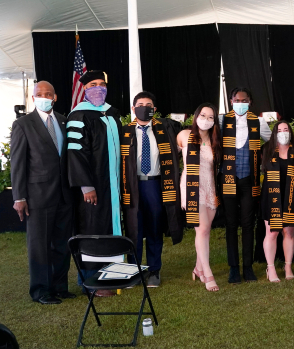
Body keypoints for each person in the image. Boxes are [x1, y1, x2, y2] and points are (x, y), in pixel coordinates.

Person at [11, 81, 75, 304]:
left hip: (64, 195)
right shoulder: (23, 124)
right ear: (33, 98)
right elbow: (17, 163)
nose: (44, 96)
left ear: (55, 97)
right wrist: (19, 197)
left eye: (49, 94)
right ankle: (41, 290)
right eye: (40, 94)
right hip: (38, 196)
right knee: (39, 246)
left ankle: (60, 287)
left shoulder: (64, 120)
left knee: (62, 243)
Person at [66, 70, 122, 297]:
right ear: (84, 90)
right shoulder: (78, 116)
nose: (98, 88)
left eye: (102, 84)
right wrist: (86, 186)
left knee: (109, 229)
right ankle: (92, 281)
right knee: (92, 229)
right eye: (92, 85)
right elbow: (75, 153)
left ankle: (113, 275)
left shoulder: (111, 113)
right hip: (93, 187)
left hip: (112, 186)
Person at [121, 92, 183, 288]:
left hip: (154, 184)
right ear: (133, 108)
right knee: (134, 228)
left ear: (154, 109)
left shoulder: (166, 128)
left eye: (149, 105)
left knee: (155, 226)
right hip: (131, 184)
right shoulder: (124, 131)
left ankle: (154, 270)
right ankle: (134, 271)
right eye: (140, 104)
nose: (144, 107)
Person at [220, 87, 272, 283]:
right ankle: (234, 268)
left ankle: (248, 267)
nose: (240, 103)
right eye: (236, 99)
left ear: (249, 101)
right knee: (231, 224)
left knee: (248, 223)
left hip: (249, 180)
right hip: (228, 178)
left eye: (244, 100)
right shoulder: (222, 120)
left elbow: (271, 141)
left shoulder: (257, 122)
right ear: (231, 101)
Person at [177, 103, 221, 292]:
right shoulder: (184, 135)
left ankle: (198, 268)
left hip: (210, 187)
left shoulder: (215, 140)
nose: (206, 120)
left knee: (205, 231)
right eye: (203, 115)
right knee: (201, 230)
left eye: (211, 117)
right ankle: (208, 274)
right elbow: (170, 160)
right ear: (196, 116)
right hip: (192, 188)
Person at [260, 120, 294, 282]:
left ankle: (288, 266)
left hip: (291, 194)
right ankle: (271, 268)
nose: (283, 132)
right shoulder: (267, 149)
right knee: (272, 232)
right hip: (270, 196)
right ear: (275, 133)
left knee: (288, 232)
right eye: (280, 130)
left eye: (286, 129)